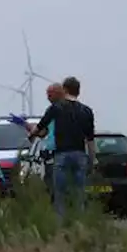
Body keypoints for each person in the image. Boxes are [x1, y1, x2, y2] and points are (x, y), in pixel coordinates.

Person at [29, 76, 95, 219]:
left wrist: (31, 135)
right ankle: (80, 224)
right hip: (80, 155)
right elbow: (90, 140)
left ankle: (61, 226)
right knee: (79, 193)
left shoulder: (56, 108)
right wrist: (91, 159)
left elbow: (41, 126)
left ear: (64, 90)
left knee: (60, 194)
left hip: (62, 155)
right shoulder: (87, 111)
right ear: (78, 91)